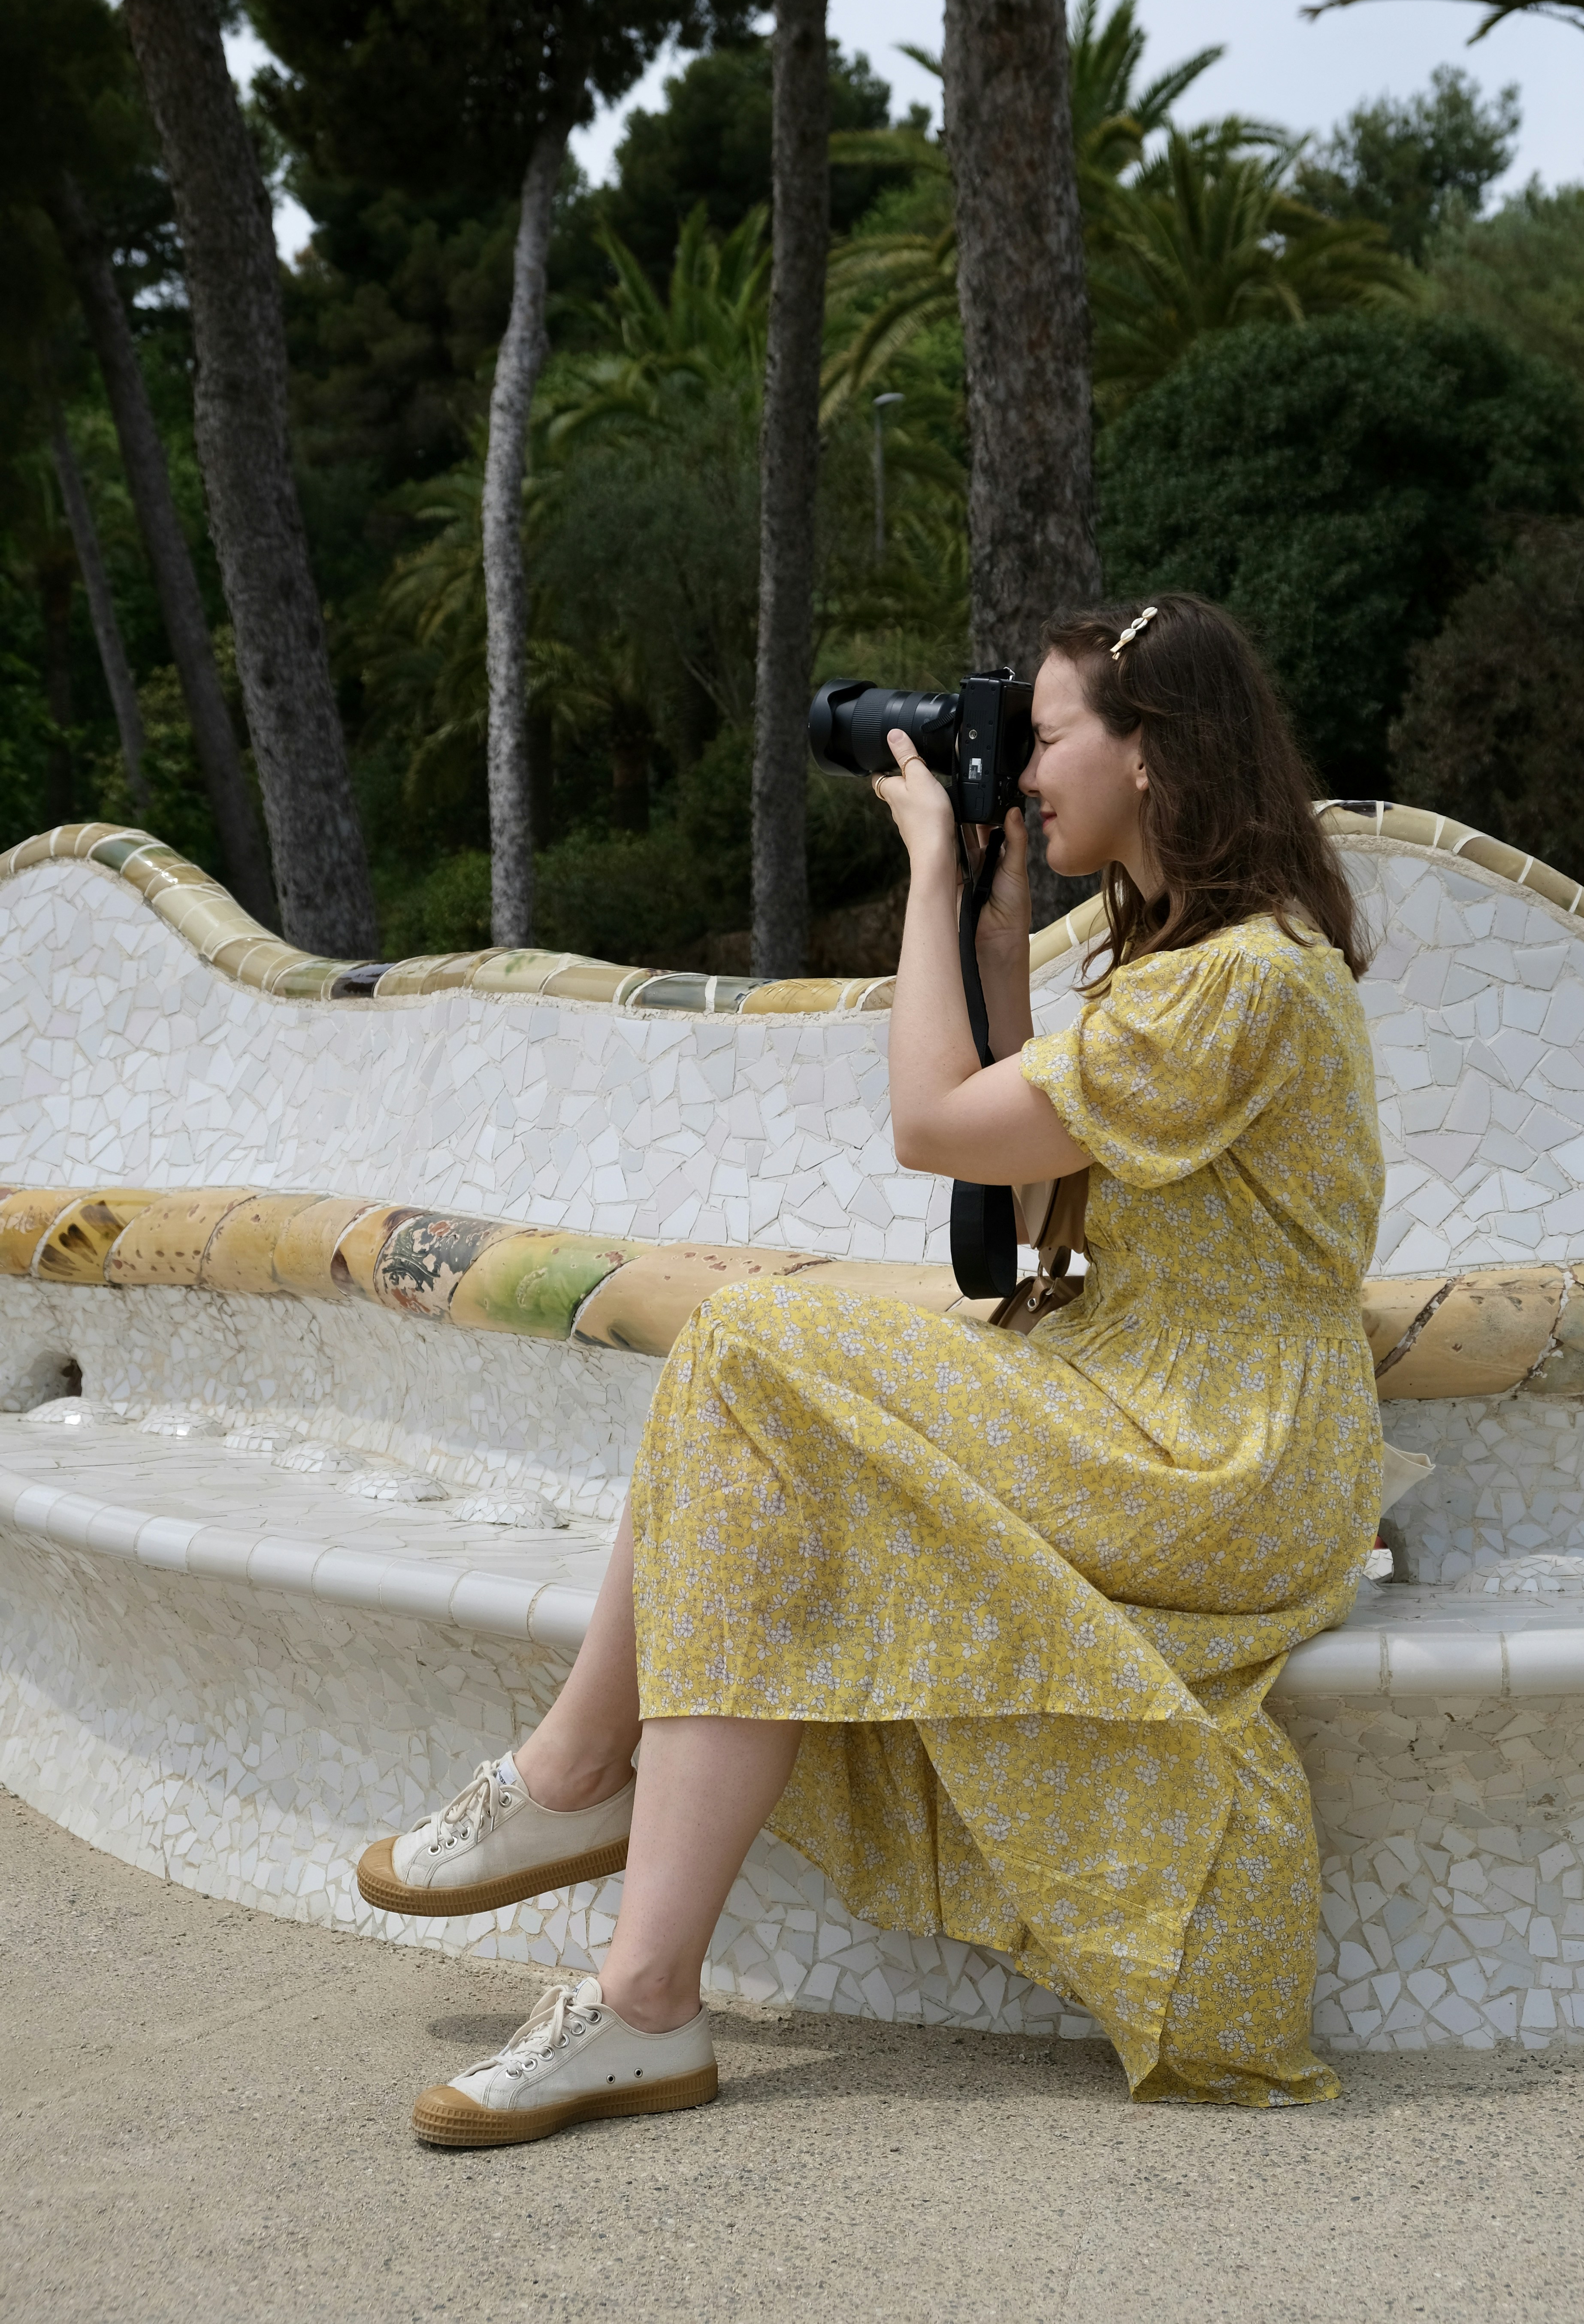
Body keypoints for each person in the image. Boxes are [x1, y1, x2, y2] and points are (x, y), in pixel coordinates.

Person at [366, 593, 1385, 2147]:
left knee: (753, 1350)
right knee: (748, 1379)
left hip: (1217, 1452)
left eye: (1046, 741)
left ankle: (585, 1808)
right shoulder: (1194, 962)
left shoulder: (1238, 979)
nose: (1023, 773)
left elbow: (936, 1129)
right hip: (1152, 1393)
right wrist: (991, 924)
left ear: (1157, 755)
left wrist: (923, 872)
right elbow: (1049, 1189)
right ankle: (635, 1959)